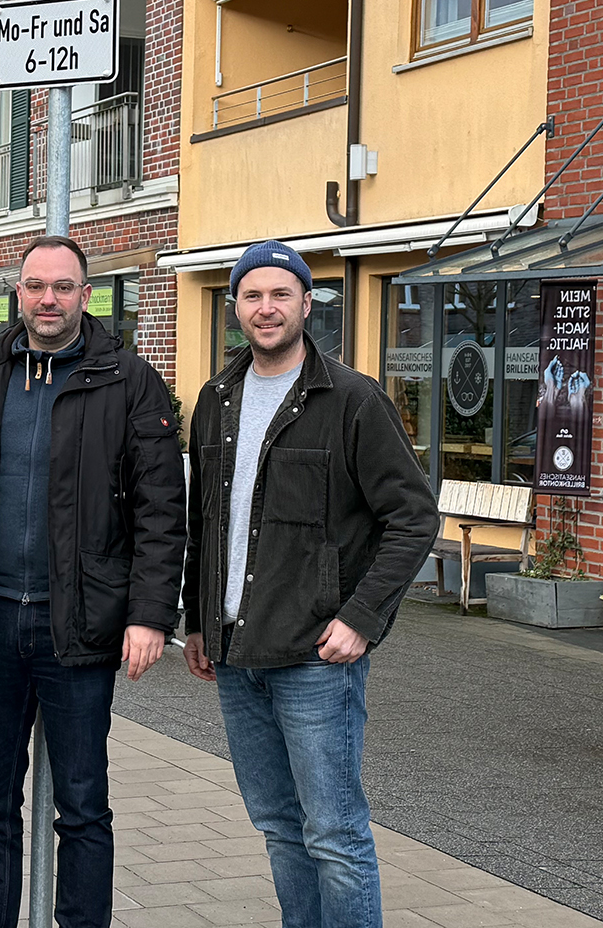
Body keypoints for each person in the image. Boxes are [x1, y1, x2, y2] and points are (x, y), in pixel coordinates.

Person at [0, 234, 186, 928]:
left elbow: (161, 508)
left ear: (87, 295)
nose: (47, 298)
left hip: (79, 625)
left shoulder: (129, 380)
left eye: (62, 286)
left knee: (82, 804)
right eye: (34, 285)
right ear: (16, 292)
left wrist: (149, 614)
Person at [182, 240, 438, 928]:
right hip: (236, 655)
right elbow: (203, 520)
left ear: (306, 302)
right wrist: (198, 618)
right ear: (234, 305)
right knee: (277, 824)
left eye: (280, 294)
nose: (265, 308)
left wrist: (360, 616)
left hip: (314, 658)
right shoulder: (216, 398)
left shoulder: (352, 399)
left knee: (334, 832)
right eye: (252, 295)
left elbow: (412, 518)